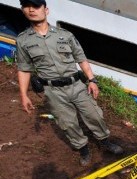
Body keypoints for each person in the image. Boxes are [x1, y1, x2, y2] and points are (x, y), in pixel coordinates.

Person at [16, 0, 123, 166]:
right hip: (52, 91)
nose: (31, 10)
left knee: (94, 114)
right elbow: (24, 69)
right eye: (26, 6)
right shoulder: (23, 41)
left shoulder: (65, 35)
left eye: (36, 6)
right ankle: (83, 149)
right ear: (22, 10)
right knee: (67, 123)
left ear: (46, 10)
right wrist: (23, 95)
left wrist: (92, 80)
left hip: (76, 85)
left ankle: (104, 141)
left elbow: (81, 58)